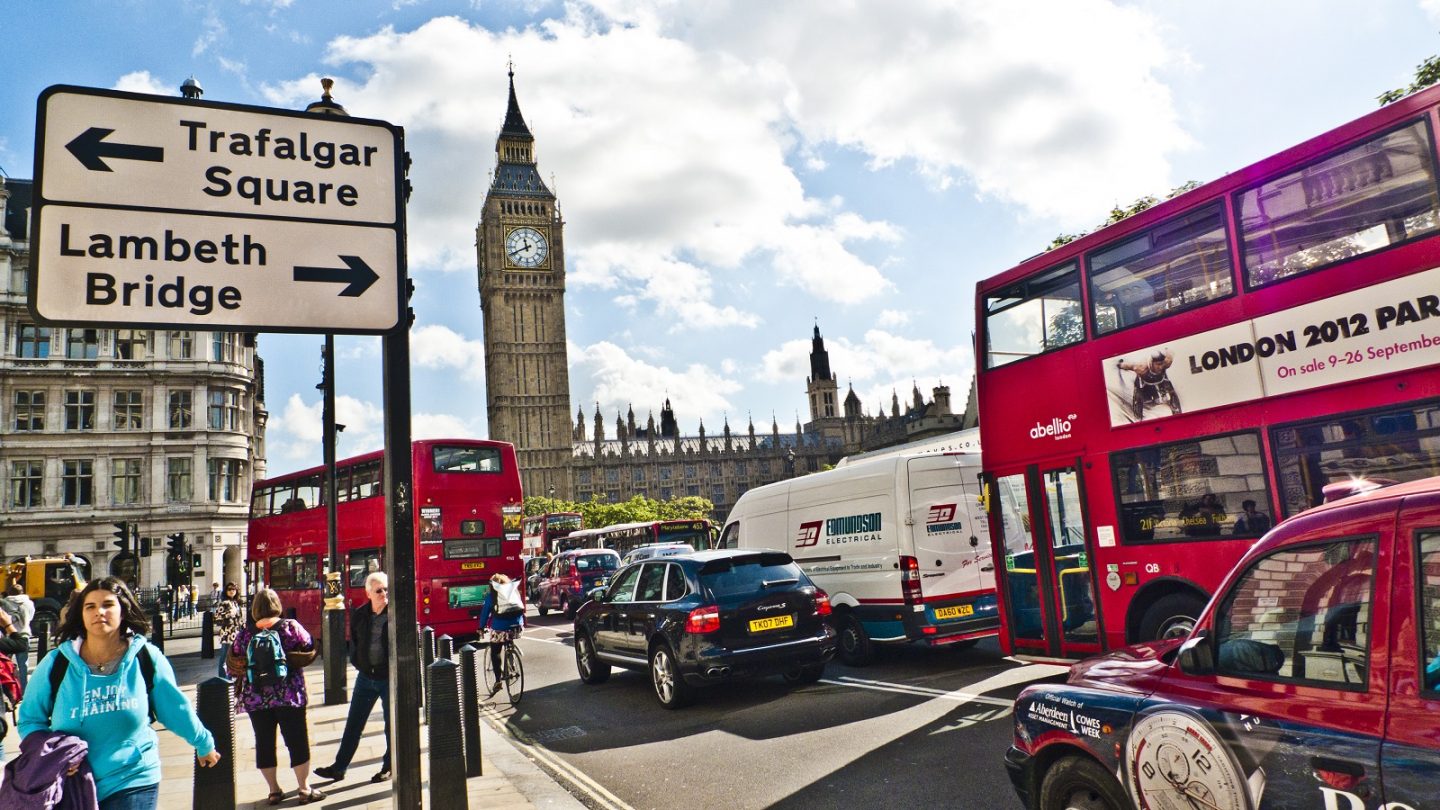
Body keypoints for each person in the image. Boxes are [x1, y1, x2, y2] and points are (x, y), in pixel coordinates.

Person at [17, 576, 220, 810]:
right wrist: (54, 755)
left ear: (123, 611)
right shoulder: (56, 664)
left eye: (108, 604)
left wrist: (204, 743)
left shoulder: (145, 658)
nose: (98, 612)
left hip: (133, 778)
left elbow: (175, 708)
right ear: (81, 616)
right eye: (90, 606)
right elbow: (30, 720)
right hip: (71, 782)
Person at [227, 589, 322, 805]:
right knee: (296, 740)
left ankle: (274, 790)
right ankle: (304, 788)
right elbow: (309, 646)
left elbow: (233, 664)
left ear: (255, 609)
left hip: (256, 698)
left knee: (264, 742)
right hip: (289, 694)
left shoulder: (245, 634)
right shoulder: (290, 627)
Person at [313, 571, 391, 784]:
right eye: (379, 590)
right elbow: (355, 642)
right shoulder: (360, 614)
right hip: (366, 677)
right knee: (354, 724)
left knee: (390, 724)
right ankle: (339, 768)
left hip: (387, 678)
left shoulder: (395, 614)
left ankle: (388, 766)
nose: (384, 593)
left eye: (386, 589)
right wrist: (359, 663)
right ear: (368, 593)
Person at [477, 572, 525, 697]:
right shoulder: (513, 591)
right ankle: (512, 662)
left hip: (499, 628)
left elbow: (484, 614)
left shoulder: (492, 595)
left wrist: (481, 628)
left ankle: (498, 680)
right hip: (517, 627)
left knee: (495, 651)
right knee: (509, 639)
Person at [1, 579, 35, 693]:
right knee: (23, 665)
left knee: (5, 665)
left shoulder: (5, 603)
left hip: (9, 636)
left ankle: (9, 689)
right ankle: (24, 690)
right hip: (24, 634)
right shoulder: (29, 603)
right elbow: (31, 617)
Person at [212, 581, 245, 678]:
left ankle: (230, 676)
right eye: (229, 589)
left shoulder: (235, 602)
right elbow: (216, 617)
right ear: (226, 591)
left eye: (233, 589)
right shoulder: (224, 603)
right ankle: (222, 678)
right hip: (227, 633)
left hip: (236, 632)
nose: (231, 591)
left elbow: (239, 618)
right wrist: (229, 614)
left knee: (233, 656)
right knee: (225, 656)